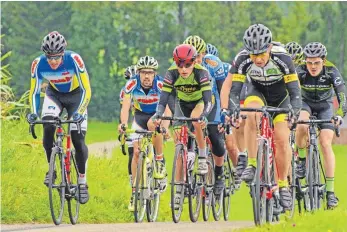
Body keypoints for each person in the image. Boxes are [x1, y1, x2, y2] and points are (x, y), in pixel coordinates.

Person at [220, 24, 302, 210]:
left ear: (269, 48)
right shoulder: (242, 59)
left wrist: (295, 110)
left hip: (281, 98)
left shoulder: (282, 57)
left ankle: (283, 185)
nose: (257, 58)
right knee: (250, 113)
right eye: (253, 54)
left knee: (281, 139)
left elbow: (295, 91)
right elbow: (235, 90)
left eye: (261, 54)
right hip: (257, 92)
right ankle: (252, 163)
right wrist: (232, 108)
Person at [27, 31, 91, 204]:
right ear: (45, 55)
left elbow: (87, 89)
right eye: (50, 57)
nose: (53, 61)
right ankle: (52, 169)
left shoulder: (75, 60)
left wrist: (80, 111)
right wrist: (33, 113)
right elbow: (34, 92)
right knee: (47, 126)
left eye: (57, 57)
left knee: (78, 140)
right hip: (54, 95)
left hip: (77, 97)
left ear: (63, 53)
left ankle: (82, 182)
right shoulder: (37, 64)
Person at [154, 44, 213, 207]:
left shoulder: (202, 73)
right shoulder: (171, 73)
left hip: (200, 102)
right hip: (181, 103)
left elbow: (208, 101)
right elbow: (164, 97)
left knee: (196, 119)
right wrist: (159, 113)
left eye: (187, 65)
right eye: (180, 65)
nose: (184, 69)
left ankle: (201, 155)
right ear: (175, 63)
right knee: (179, 145)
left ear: (194, 62)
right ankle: (179, 190)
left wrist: (204, 115)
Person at [295, 42, 347, 209]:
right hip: (306, 104)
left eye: (316, 62)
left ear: (323, 61)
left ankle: (330, 193)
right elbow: (290, 92)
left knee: (325, 143)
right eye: (309, 62)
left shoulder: (332, 71)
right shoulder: (300, 70)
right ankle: (302, 161)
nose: (313, 66)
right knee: (301, 124)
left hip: (325, 107)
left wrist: (339, 116)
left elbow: (342, 96)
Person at [118, 56, 170, 211]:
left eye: (150, 72)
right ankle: (135, 192)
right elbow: (126, 107)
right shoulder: (131, 84)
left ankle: (159, 161)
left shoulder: (160, 84)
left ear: (154, 74)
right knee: (135, 152)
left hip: (157, 116)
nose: (147, 76)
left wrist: (165, 126)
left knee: (153, 125)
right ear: (138, 73)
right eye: (143, 72)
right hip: (139, 118)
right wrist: (123, 124)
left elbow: (168, 108)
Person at [202, 54, 242, 192]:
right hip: (209, 102)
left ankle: (238, 171)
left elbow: (231, 91)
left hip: (225, 103)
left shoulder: (224, 68)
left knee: (230, 145)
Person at [119, 64, 137, 186]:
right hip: (137, 119)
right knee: (132, 151)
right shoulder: (125, 91)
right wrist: (123, 127)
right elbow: (124, 110)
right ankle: (133, 179)